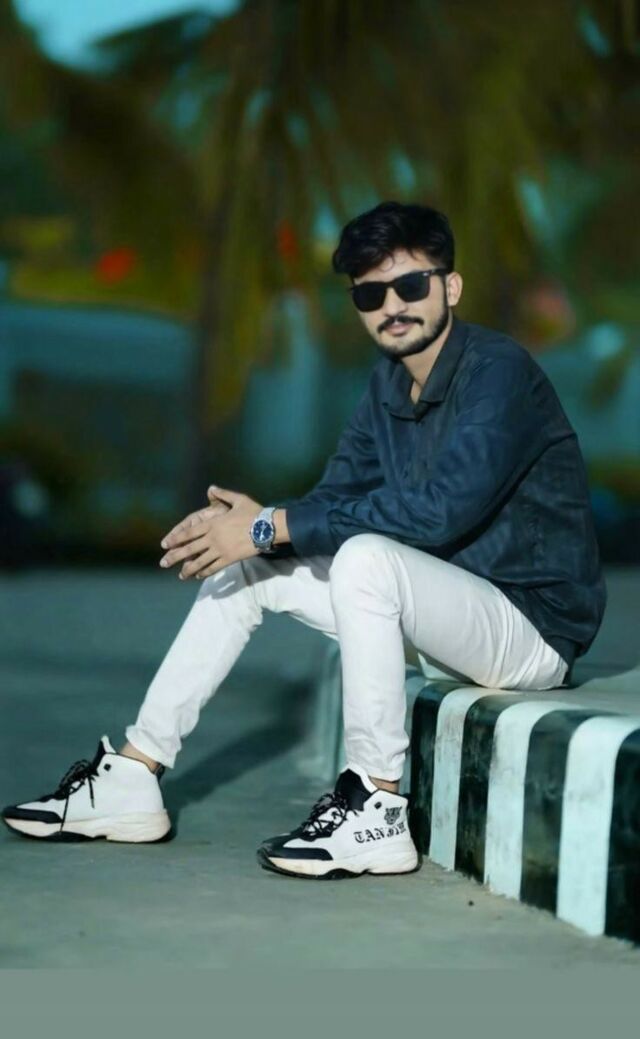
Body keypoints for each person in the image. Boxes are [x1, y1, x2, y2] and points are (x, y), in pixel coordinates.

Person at [2, 201, 607, 880]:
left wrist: (272, 524)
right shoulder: (387, 385)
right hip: (447, 617)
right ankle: (135, 776)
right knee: (248, 569)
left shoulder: (498, 372)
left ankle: (376, 807)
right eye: (371, 294)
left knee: (364, 558)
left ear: (451, 287)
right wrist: (255, 526)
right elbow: (333, 497)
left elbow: (439, 512)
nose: (392, 306)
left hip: (529, 628)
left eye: (410, 285)